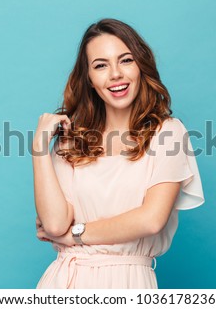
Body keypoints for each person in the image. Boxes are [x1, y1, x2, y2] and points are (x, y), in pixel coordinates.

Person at [32, 18, 205, 289]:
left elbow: (151, 219)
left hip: (128, 282)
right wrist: (39, 149)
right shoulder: (71, 140)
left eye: (125, 60)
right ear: (89, 79)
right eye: (101, 65)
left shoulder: (168, 133)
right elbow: (54, 226)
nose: (115, 74)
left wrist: (76, 235)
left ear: (140, 66)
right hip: (63, 282)